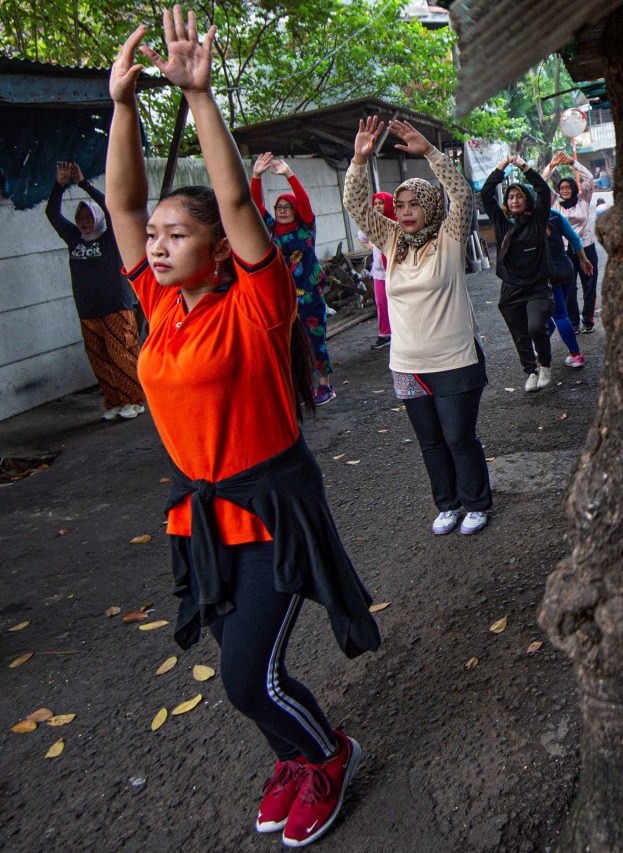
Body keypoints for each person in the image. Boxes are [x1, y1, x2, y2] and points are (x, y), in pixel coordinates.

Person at [105, 9, 380, 848]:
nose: (154, 245)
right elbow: (120, 200)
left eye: (175, 235)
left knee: (242, 676)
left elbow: (231, 195)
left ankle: (327, 754)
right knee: (249, 670)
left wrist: (196, 97)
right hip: (203, 515)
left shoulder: (257, 304)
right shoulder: (159, 306)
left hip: (271, 508)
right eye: (153, 236)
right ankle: (296, 756)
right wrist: (119, 106)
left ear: (219, 250)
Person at [344, 116, 492, 536]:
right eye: (402, 205)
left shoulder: (449, 237)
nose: (406, 212)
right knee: (430, 442)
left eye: (414, 204)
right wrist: (358, 160)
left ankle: (477, 503)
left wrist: (429, 152)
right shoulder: (392, 241)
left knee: (459, 438)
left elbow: (461, 193)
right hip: (406, 364)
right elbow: (356, 206)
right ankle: (448, 504)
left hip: (454, 360)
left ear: (430, 206)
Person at [45, 161, 145, 420]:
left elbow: (112, 211)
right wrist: (59, 186)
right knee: (99, 359)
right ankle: (113, 402)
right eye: (80, 218)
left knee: (123, 354)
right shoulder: (74, 238)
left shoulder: (110, 237)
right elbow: (53, 215)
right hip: (88, 309)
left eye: (88, 217)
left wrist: (83, 184)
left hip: (116, 305)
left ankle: (135, 401)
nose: (84, 222)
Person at [251, 153, 335, 405]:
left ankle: (325, 386)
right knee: (288, 342)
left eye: (288, 207)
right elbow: (254, 205)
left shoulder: (306, 227)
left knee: (315, 338)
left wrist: (289, 174)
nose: (283, 211)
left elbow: (304, 201)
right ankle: (299, 386)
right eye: (279, 207)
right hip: (281, 296)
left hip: (309, 293)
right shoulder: (271, 228)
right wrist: (256, 176)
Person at [481, 155, 554, 393]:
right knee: (520, 334)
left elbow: (543, 189)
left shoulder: (538, 219)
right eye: (510, 197)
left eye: (519, 196)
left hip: (537, 287)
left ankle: (544, 365)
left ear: (527, 200)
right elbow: (486, 193)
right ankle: (530, 371)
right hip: (511, 289)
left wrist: (524, 167)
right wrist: (501, 166)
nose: (514, 200)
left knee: (535, 328)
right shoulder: (503, 224)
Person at [541, 151, 598, 333]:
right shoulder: (554, 201)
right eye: (562, 187)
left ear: (574, 188)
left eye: (568, 187)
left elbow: (589, 177)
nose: (565, 190)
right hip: (564, 251)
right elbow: (541, 183)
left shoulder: (583, 199)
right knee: (569, 287)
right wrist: (552, 165)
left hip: (586, 248)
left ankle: (588, 319)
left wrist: (572, 162)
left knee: (590, 285)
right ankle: (573, 321)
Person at [546, 210, 594, 368]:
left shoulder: (528, 219)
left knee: (559, 315)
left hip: (549, 272)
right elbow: (573, 237)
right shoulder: (554, 214)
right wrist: (584, 259)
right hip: (567, 268)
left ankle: (576, 355)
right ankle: (542, 342)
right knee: (555, 313)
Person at [357, 192, 396, 349]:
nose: (378, 206)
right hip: (379, 270)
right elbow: (361, 237)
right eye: (375, 203)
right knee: (381, 302)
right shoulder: (371, 223)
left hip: (395, 269)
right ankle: (385, 334)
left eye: (381, 203)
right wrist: (372, 247)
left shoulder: (394, 222)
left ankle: (401, 332)